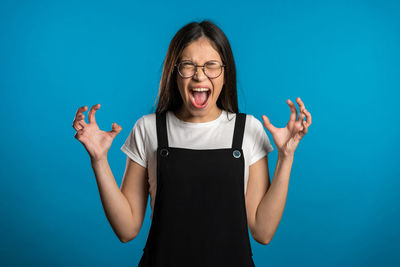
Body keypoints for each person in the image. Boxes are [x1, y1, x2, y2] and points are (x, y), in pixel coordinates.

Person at [72, 20, 312, 267]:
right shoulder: (148, 128)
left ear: (225, 73)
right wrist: (99, 160)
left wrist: (286, 157)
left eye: (211, 66)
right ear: (174, 72)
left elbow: (263, 231)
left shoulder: (248, 130)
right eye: (188, 66)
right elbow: (127, 229)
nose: (199, 75)